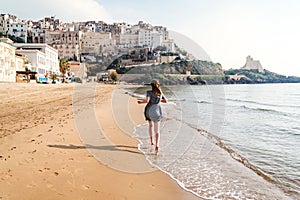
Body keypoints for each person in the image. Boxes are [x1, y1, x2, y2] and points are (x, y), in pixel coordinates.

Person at [137, 79, 167, 153]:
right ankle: (157, 145)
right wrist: (158, 101)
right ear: (158, 85)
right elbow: (166, 100)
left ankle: (152, 142)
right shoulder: (160, 93)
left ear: (151, 85)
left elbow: (147, 101)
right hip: (157, 111)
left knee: (150, 126)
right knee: (157, 130)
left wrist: (140, 102)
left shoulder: (149, 92)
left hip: (149, 111)